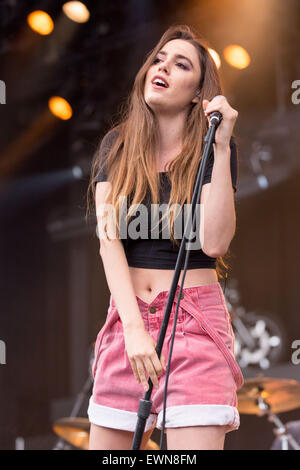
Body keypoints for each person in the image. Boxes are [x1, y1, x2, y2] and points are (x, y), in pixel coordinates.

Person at [86, 24, 244, 450]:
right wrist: (134, 329)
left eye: (181, 64)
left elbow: (214, 244)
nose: (163, 67)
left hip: (194, 323)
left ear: (198, 92)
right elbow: (108, 241)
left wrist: (223, 147)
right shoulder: (116, 148)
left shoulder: (213, 151)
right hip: (128, 322)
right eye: (159, 59)